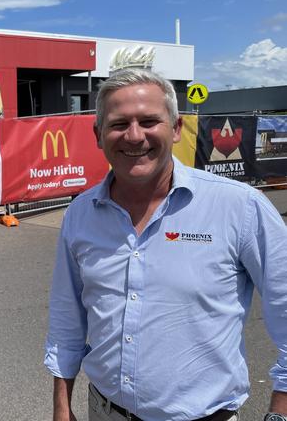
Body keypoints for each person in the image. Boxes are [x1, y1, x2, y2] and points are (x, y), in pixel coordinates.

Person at [45, 68, 287, 421]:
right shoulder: (81, 214)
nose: (134, 136)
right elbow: (68, 321)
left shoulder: (239, 207)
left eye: (148, 121)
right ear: (98, 135)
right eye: (118, 124)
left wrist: (280, 412)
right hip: (104, 411)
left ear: (175, 129)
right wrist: (61, 409)